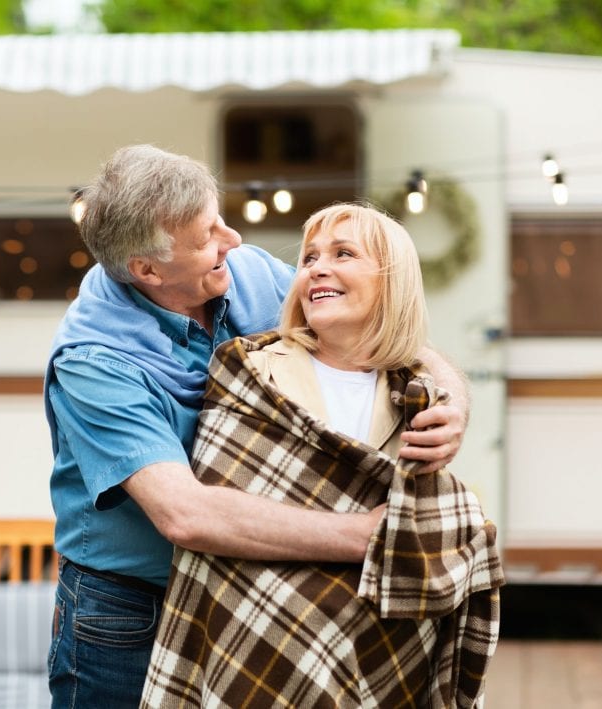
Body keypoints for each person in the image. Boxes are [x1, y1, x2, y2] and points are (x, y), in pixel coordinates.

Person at [44, 145, 470, 708]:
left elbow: (372, 323)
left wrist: (453, 398)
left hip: (239, 587)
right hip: (128, 612)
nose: (233, 241)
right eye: (206, 238)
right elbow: (185, 515)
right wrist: (366, 535)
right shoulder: (94, 363)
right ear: (147, 269)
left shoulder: (244, 273)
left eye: (220, 219)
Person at [141, 203, 504, 708]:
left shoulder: (418, 398)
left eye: (343, 253)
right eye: (310, 257)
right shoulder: (250, 372)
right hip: (255, 638)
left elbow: (424, 519)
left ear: (391, 281)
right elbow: (221, 505)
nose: (317, 267)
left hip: (377, 644)